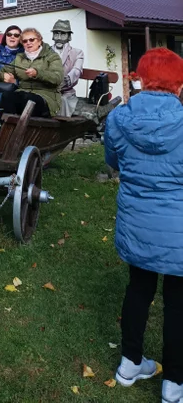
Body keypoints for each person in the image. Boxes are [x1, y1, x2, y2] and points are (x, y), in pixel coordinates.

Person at [104, 47, 183, 402]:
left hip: (137, 219)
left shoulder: (118, 119)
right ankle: (174, 384)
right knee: (178, 302)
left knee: (138, 289)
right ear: (178, 85)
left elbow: (113, 161)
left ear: (140, 78)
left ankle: (130, 363)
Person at [0, 27, 64, 117]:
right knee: (7, 96)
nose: (28, 43)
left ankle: (24, 128)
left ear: (39, 40)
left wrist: (38, 73)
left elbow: (57, 78)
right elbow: (5, 70)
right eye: (25, 41)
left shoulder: (52, 56)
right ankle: (9, 127)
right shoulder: (19, 58)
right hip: (23, 92)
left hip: (45, 95)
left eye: (31, 40)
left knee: (29, 100)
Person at [50, 19, 84, 116]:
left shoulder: (77, 53)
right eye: (56, 34)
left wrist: (67, 79)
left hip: (66, 93)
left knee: (62, 101)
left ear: (69, 36)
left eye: (63, 34)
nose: (59, 38)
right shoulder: (47, 52)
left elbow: (77, 70)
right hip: (48, 91)